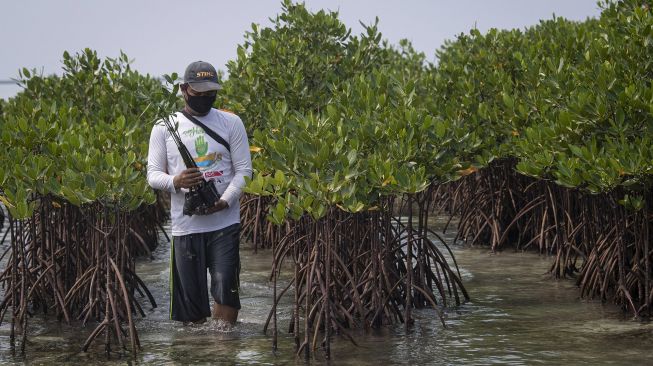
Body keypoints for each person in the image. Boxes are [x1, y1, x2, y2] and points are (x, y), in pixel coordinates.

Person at [147, 61, 252, 325]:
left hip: (225, 223)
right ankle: (197, 353)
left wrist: (224, 201)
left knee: (226, 290)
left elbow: (244, 171)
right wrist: (177, 181)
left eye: (210, 93)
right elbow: (152, 175)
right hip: (186, 227)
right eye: (199, 93)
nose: (205, 98)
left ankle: (222, 350)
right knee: (190, 309)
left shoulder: (231, 122)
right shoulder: (163, 127)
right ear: (184, 89)